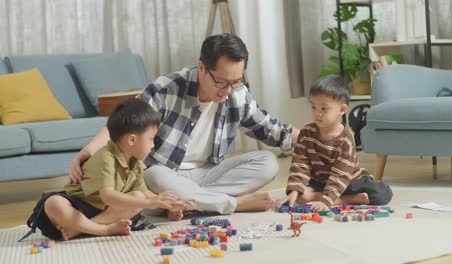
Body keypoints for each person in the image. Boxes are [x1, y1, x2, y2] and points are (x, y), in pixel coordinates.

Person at [69, 33, 300, 219]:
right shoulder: (166, 88)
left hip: (209, 173)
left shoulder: (238, 94)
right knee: (156, 175)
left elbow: (273, 130)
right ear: (201, 67)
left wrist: (328, 134)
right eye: (221, 81)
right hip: (166, 173)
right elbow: (123, 122)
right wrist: (89, 150)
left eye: (235, 82)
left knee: (268, 163)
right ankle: (233, 204)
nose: (227, 90)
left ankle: (191, 203)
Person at [25, 98, 193, 241]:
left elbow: (143, 192)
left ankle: (82, 229)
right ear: (132, 140)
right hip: (79, 206)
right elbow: (108, 196)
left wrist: (166, 203)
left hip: (104, 214)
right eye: (151, 139)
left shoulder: (136, 163)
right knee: (54, 203)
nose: (153, 145)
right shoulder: (106, 156)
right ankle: (103, 230)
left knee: (138, 196)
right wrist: (151, 203)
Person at [276, 75, 393, 212]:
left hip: (348, 181)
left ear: (342, 110)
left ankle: (340, 197)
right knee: (301, 196)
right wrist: (294, 192)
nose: (317, 113)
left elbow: (341, 175)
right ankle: (349, 199)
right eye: (314, 107)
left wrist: (327, 201)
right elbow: (300, 164)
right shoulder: (306, 133)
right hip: (320, 181)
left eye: (324, 109)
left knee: (381, 194)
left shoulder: (346, 140)